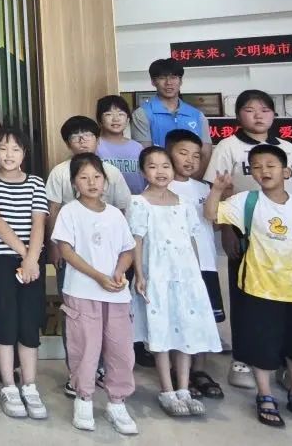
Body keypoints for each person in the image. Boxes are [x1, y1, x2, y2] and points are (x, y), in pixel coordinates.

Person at [204, 89, 292, 391]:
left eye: (265, 110)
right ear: (238, 115)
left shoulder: (287, 148)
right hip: (246, 232)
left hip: (289, 237)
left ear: (273, 115)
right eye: (250, 110)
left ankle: (288, 365)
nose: (258, 115)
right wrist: (227, 231)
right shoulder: (228, 146)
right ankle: (242, 358)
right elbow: (219, 190)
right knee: (247, 299)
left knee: (291, 304)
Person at [129, 146, 221, 418]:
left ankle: (184, 388)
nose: (160, 172)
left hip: (186, 276)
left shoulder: (183, 203)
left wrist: (196, 274)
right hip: (157, 276)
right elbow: (136, 241)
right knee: (161, 330)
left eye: (165, 166)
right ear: (143, 171)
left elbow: (192, 238)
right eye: (153, 166)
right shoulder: (139, 202)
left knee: (186, 329)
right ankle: (167, 390)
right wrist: (140, 274)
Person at [51, 154, 138, 435]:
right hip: (81, 290)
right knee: (85, 348)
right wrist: (98, 276)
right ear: (74, 182)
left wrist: (119, 271)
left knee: (121, 349)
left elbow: (127, 249)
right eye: (84, 177)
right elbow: (66, 251)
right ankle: (84, 399)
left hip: (116, 294)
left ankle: (117, 401)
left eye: (97, 177)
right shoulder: (69, 212)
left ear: (105, 181)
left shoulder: (115, 214)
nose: (91, 182)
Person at [45, 115, 133, 389]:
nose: (82, 140)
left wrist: (121, 260)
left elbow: (122, 209)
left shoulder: (111, 172)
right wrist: (54, 248)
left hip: (109, 256)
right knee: (75, 315)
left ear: (97, 139)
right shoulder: (60, 172)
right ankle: (78, 374)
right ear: (67, 143)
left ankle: (105, 370)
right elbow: (53, 209)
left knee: (111, 321)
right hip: (72, 252)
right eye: (75, 136)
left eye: (88, 135)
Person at [0, 126, 49, 420]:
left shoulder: (36, 183)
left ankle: (29, 385)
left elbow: (39, 223)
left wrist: (32, 259)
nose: (9, 155)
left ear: (24, 153)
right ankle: (8, 385)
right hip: (0, 261)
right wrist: (25, 255)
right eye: (3, 148)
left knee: (29, 324)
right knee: (5, 323)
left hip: (32, 261)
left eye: (16, 149)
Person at [166, 129, 224, 399]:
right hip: (177, 267)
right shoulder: (162, 188)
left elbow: (215, 222)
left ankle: (199, 370)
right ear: (169, 154)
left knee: (204, 318)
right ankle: (179, 371)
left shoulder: (204, 189)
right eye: (183, 153)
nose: (190, 160)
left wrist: (218, 192)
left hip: (206, 264)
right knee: (179, 318)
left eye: (196, 155)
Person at [130, 58, 211, 167]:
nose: (168, 83)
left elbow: (205, 155)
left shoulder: (198, 116)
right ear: (153, 82)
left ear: (180, 81)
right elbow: (145, 156)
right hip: (159, 175)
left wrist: (192, 177)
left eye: (174, 77)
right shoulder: (142, 114)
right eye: (162, 78)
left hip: (192, 176)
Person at [95, 95, 146, 195]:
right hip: (105, 201)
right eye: (108, 114)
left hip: (135, 200)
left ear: (128, 120)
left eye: (121, 114)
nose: (116, 119)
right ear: (100, 121)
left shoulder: (137, 147)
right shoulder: (95, 146)